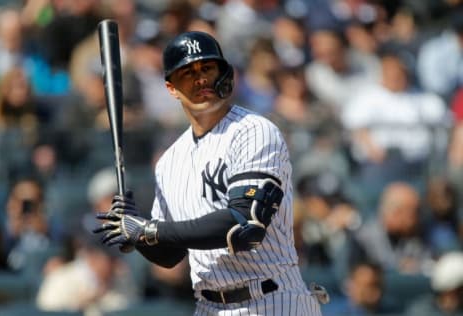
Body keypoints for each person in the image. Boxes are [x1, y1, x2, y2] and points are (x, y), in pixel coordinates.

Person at [93, 31, 327, 315]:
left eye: (207, 68)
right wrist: (137, 233)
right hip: (208, 306)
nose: (200, 78)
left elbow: (245, 226)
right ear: (171, 88)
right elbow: (170, 255)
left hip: (273, 300)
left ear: (223, 74)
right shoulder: (169, 162)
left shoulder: (254, 131)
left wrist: (151, 230)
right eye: (187, 73)